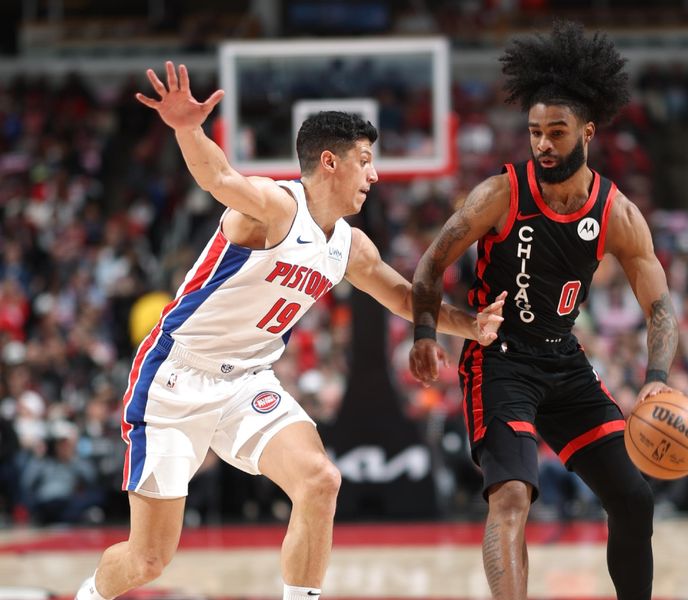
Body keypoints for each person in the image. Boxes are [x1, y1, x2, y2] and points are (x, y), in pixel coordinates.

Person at [75, 61, 505, 600]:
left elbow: (405, 298)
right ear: (330, 161)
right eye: (365, 162)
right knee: (149, 559)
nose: (374, 176)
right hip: (176, 376)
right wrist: (187, 127)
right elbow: (219, 178)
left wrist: (471, 324)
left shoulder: (350, 245)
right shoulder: (277, 207)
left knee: (320, 480)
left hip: (248, 380)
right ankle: (89, 595)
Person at [409, 21, 679, 600]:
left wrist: (656, 380)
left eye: (556, 132)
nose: (543, 144)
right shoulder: (500, 193)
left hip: (566, 363)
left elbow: (660, 308)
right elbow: (430, 265)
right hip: (499, 361)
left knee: (633, 498)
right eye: (535, 132)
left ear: (587, 131)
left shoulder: (617, 213)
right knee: (511, 496)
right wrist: (425, 330)